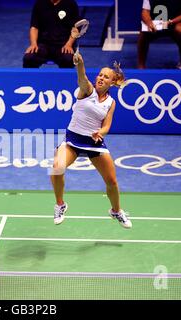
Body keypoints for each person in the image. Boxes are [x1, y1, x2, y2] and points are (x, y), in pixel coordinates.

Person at [50, 50, 132, 229]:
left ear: (111, 82)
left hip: (94, 143)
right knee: (57, 168)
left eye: (106, 77)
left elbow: (107, 124)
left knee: (111, 181)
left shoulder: (111, 103)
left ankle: (116, 211)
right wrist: (79, 63)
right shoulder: (87, 90)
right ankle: (60, 204)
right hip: (73, 139)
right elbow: (82, 76)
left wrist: (101, 133)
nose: (101, 78)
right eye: (100, 75)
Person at [23, 0, 80, 68]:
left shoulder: (71, 4)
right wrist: (33, 44)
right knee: (29, 58)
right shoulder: (39, 3)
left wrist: (69, 44)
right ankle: (31, 78)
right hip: (43, 45)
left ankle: (63, 79)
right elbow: (34, 27)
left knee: (68, 59)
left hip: (63, 45)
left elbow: (75, 28)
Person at [137, 0, 181, 69]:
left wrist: (171, 22)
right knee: (143, 32)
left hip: (175, 22)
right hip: (156, 24)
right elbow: (145, 11)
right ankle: (141, 66)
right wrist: (149, 22)